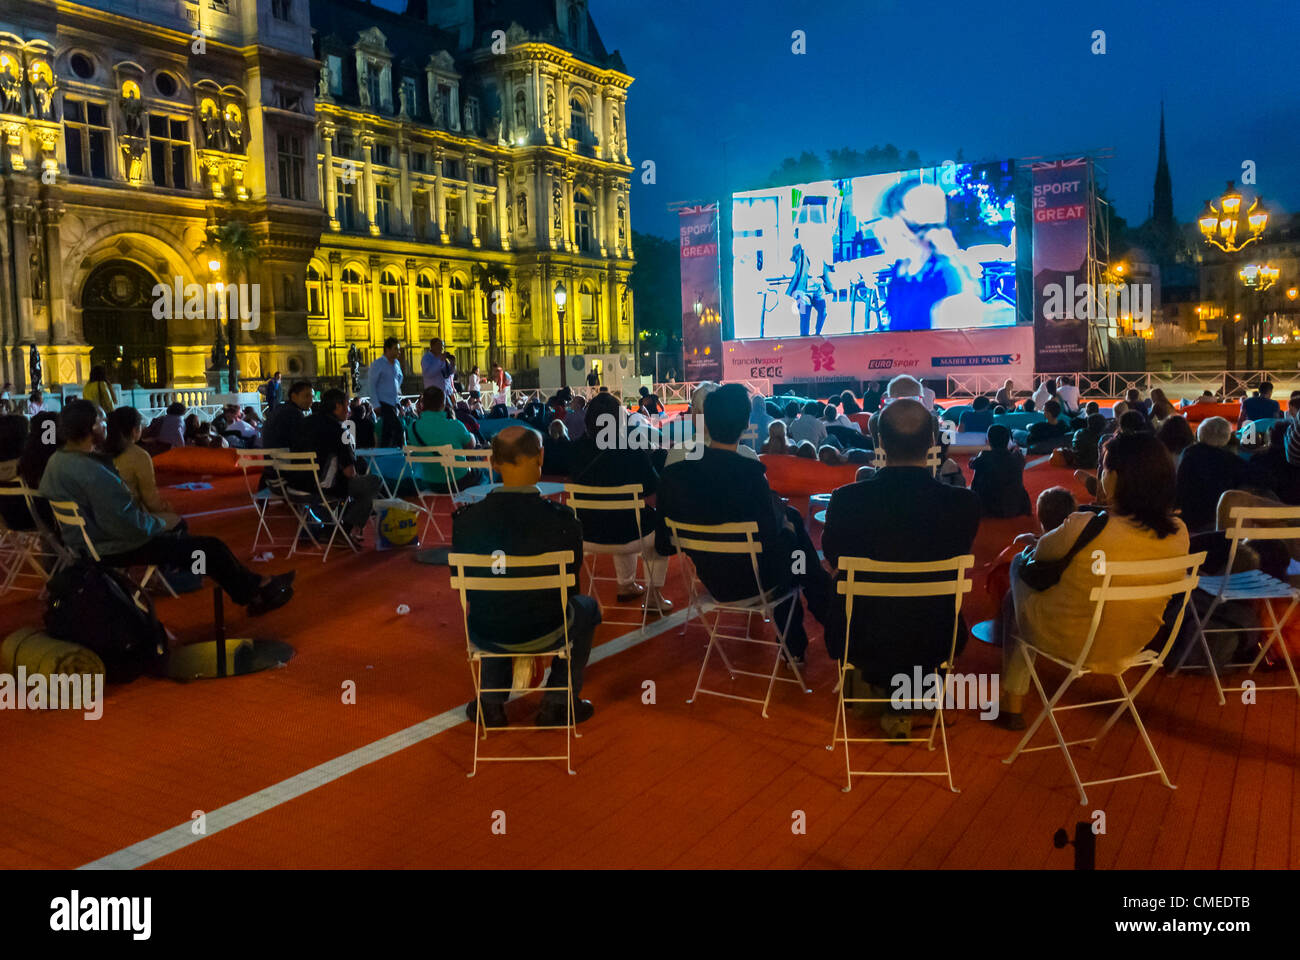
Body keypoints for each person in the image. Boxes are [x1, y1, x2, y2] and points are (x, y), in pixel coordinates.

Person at [1001, 433, 1190, 727]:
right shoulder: (1179, 531)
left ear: (1112, 479)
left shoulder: (1086, 525)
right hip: (1134, 642)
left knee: (1017, 570)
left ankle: (1012, 702)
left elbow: (1040, 555)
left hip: (1074, 639)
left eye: (1103, 468)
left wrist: (1027, 551)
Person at [822, 398, 982, 738]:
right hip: (937, 635)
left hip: (860, 635)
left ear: (878, 442)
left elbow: (835, 560)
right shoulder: (963, 504)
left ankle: (879, 691)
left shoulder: (847, 500)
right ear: (932, 444)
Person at [41, 400, 294, 614]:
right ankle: (254, 592)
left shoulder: (57, 461)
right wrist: (160, 523)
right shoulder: (92, 471)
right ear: (91, 427)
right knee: (210, 548)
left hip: (83, 545)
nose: (106, 425)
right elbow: (123, 522)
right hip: (115, 546)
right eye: (102, 421)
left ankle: (255, 587)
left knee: (203, 548)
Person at [655, 384, 831, 662]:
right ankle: (812, 632)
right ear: (746, 424)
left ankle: (817, 626)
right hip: (755, 583)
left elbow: (664, 544)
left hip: (710, 580)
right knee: (793, 543)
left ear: (705, 421)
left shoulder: (675, 474)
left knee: (791, 531)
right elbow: (770, 538)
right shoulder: (750, 474)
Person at [452, 425, 601, 727]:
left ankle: (490, 702)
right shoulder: (563, 522)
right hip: (546, 627)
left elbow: (465, 588)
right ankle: (559, 701)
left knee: (492, 600)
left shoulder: (467, 522)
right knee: (586, 608)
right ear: (540, 456)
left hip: (487, 630)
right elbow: (570, 587)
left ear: (493, 463)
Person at [569, 392, 672, 613]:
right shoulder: (632, 450)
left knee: (620, 514)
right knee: (653, 524)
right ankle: (653, 596)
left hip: (587, 534)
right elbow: (653, 494)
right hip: (629, 534)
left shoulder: (575, 451)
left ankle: (627, 584)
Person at [293, 388, 382, 546]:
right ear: (338, 406)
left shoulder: (303, 424)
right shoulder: (339, 431)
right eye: (347, 405)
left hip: (294, 485)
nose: (348, 411)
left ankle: (327, 529)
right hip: (321, 487)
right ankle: (342, 530)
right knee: (372, 483)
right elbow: (350, 472)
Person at [105, 406, 180, 528]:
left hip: (103, 518)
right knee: (178, 522)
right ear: (135, 430)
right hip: (128, 520)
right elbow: (151, 501)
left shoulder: (100, 452)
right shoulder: (139, 456)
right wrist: (166, 507)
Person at [1175, 416, 1251, 533]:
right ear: (1226, 436)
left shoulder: (1189, 453)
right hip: (1217, 521)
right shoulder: (1229, 459)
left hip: (1190, 519)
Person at [405, 385, 480, 491]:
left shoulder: (412, 428)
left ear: (423, 404)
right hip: (458, 481)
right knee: (480, 472)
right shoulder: (455, 425)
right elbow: (471, 445)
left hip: (429, 483)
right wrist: (471, 435)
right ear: (443, 404)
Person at [970, 424, 1031, 517]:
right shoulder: (1017, 457)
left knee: (979, 473)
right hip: (1015, 506)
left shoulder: (984, 457)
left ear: (988, 441)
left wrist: (978, 456)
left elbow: (971, 464)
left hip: (989, 508)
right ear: (1008, 441)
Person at [367, 337, 405, 447]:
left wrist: (397, 391)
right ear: (387, 350)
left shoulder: (397, 363)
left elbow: (399, 377)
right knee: (397, 428)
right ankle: (397, 451)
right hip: (383, 402)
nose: (398, 352)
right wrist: (376, 404)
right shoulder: (378, 364)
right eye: (395, 349)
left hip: (394, 402)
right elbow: (371, 385)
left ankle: (387, 452)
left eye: (398, 349)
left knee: (388, 430)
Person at [263, 380, 313, 451]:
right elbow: (300, 442)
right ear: (294, 396)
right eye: (307, 396)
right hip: (285, 458)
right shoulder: (294, 414)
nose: (311, 400)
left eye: (312, 397)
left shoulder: (280, 409)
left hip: (272, 457)